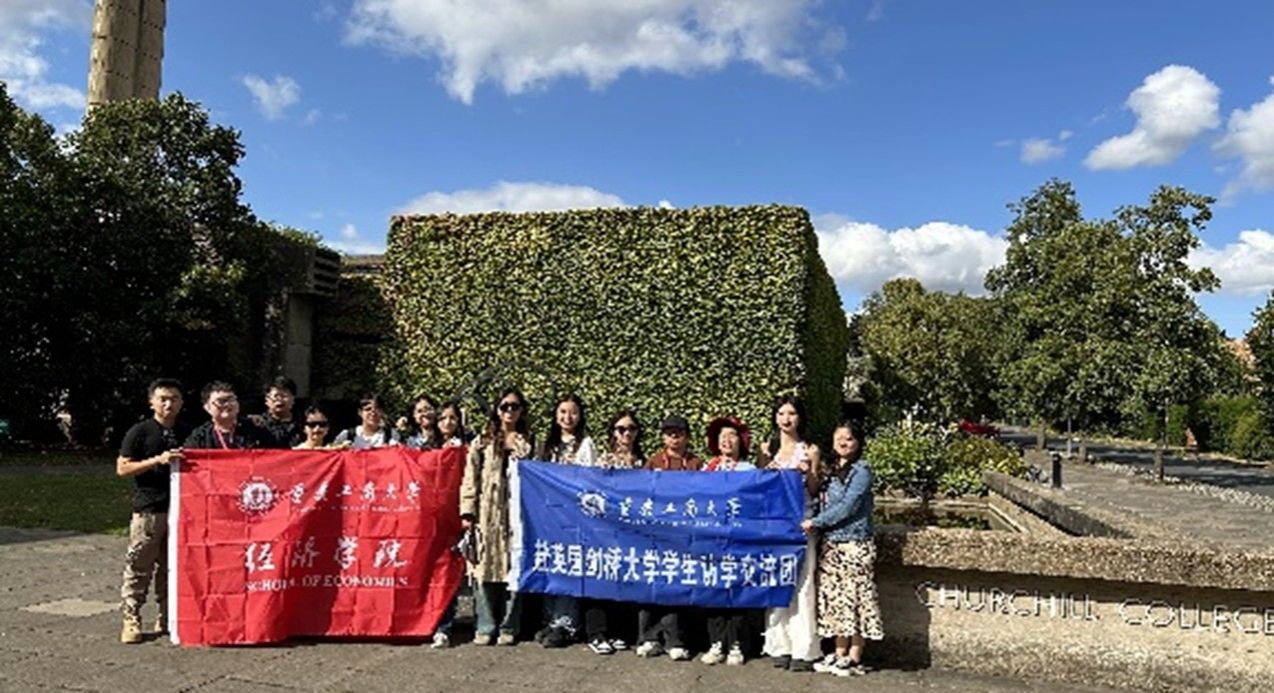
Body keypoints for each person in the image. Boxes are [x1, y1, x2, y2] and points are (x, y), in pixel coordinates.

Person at [805, 420, 883, 677]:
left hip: (854, 543)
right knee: (837, 601)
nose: (842, 442)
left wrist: (816, 522)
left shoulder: (861, 471)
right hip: (832, 544)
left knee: (857, 600)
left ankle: (855, 655)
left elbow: (848, 506)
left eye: (849, 438)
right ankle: (839, 653)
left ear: (858, 442)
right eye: (838, 437)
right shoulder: (833, 469)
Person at [460, 386, 534, 646]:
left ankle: (509, 626)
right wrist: (467, 511)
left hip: (518, 513)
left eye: (515, 406)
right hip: (487, 512)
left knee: (514, 569)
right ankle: (485, 625)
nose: (509, 411)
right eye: (504, 406)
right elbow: (470, 478)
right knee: (483, 569)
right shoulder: (483, 441)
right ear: (496, 410)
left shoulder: (530, 441)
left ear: (522, 410)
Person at [116, 378, 187, 643]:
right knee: (139, 565)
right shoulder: (140, 431)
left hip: (180, 510)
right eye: (163, 399)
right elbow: (123, 468)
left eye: (174, 399)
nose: (169, 404)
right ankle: (131, 616)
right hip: (149, 510)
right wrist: (157, 460)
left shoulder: (187, 431)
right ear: (151, 402)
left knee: (172, 567)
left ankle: (167, 616)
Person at [760, 396, 822, 672]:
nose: (786, 419)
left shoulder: (810, 449)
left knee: (803, 583)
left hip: (800, 523)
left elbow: (814, 489)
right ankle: (778, 644)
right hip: (775, 524)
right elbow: (759, 486)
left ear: (800, 417)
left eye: (792, 413)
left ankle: (804, 648)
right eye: (782, 413)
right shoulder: (767, 449)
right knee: (777, 581)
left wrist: (808, 473)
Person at [634, 415, 699, 661]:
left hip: (682, 534)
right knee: (650, 584)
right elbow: (640, 493)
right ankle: (648, 637)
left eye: (679, 433)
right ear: (663, 437)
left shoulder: (695, 463)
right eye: (669, 433)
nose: (674, 437)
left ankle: (675, 640)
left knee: (676, 586)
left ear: (687, 436)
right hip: (655, 533)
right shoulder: (653, 462)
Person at [535, 394, 596, 648]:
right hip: (549, 514)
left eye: (572, 412)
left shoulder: (586, 444)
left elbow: (590, 478)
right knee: (551, 563)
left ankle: (568, 623)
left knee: (570, 565)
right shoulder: (546, 444)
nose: (567, 417)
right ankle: (551, 620)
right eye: (562, 412)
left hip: (573, 515)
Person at [700, 416, 757, 666]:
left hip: (739, 538)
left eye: (732, 435)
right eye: (722, 435)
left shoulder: (749, 470)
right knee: (714, 590)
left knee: (737, 590)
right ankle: (716, 642)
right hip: (712, 539)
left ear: (741, 441)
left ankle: (736, 643)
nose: (726, 440)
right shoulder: (708, 468)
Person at [185, 381, 265, 449]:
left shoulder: (255, 430)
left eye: (231, 399)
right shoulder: (200, 436)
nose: (227, 404)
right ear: (207, 407)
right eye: (221, 401)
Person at [251, 376, 303, 448]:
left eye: (284, 396)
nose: (280, 400)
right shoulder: (257, 424)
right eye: (276, 396)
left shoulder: (303, 424)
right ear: (267, 400)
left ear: (293, 399)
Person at [332, 394, 400, 449]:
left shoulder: (391, 435)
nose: (373, 413)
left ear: (382, 412)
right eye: (368, 409)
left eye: (377, 409)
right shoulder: (347, 435)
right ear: (360, 412)